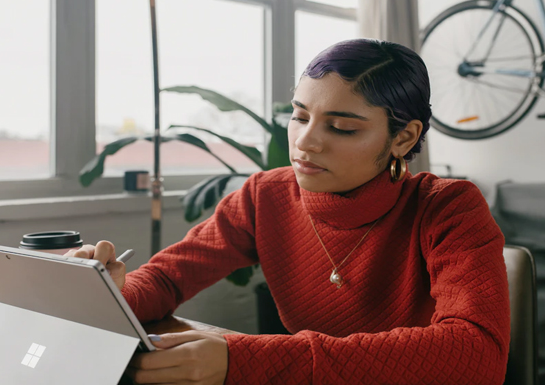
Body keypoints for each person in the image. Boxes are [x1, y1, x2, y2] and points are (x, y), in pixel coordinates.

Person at [67, 38, 510, 385]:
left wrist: (244, 360)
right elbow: (167, 277)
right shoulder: (266, 195)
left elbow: (476, 351)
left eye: (341, 127)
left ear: (403, 138)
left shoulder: (449, 207)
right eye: (299, 117)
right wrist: (102, 293)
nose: (305, 142)